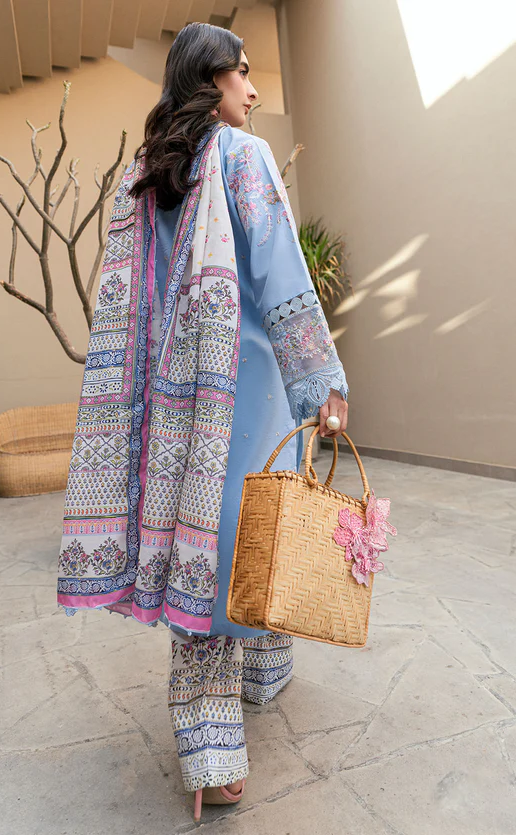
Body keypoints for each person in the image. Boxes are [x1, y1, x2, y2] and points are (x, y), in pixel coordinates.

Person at [57, 22, 348, 822]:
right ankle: (221, 743)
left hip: (173, 405)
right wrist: (322, 384)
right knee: (242, 546)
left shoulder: (144, 176)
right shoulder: (242, 157)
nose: (252, 89)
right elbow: (281, 270)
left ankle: (249, 691)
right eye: (239, 73)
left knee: (213, 548)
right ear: (206, 80)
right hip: (241, 395)